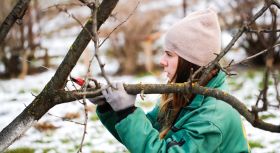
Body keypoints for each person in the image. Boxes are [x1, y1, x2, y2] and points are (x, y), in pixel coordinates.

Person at [91, 8, 250, 153]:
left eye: (169, 54)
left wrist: (127, 113)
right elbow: (148, 135)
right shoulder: (181, 94)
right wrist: (109, 107)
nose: (161, 61)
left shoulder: (212, 120)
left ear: (191, 63)